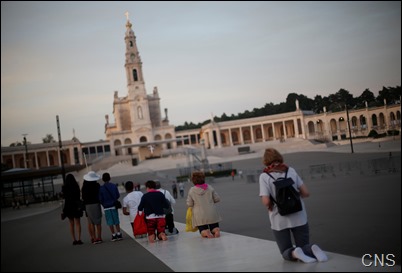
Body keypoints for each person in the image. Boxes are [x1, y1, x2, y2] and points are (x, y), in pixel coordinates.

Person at [259, 148, 328, 263]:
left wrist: (270, 204)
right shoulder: (290, 170)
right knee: (304, 245)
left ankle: (295, 252)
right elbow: (306, 193)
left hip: (278, 218)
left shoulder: (264, 176)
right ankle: (311, 248)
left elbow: (266, 201)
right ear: (279, 157)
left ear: (266, 161)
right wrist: (294, 197)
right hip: (299, 214)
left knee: (285, 250)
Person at [186, 171, 222, 238]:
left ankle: (205, 232)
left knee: (202, 228)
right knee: (214, 225)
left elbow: (189, 204)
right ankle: (216, 230)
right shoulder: (210, 187)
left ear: (193, 180)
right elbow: (217, 199)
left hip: (199, 214)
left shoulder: (192, 190)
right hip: (212, 212)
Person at [99, 172, 123, 241]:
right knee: (116, 220)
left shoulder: (101, 188)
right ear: (109, 178)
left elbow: (100, 199)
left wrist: (103, 203)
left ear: (103, 179)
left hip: (106, 207)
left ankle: (113, 235)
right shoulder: (113, 186)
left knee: (110, 221)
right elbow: (117, 195)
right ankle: (119, 233)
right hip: (113, 206)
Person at [62, 173, 84, 245]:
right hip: (76, 206)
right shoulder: (76, 186)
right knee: (78, 223)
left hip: (68, 206)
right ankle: (79, 239)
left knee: (71, 224)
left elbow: (64, 198)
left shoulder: (64, 188)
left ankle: (74, 240)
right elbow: (78, 197)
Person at [82, 171, 103, 244]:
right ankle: (99, 237)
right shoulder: (97, 185)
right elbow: (100, 194)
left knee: (91, 222)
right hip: (96, 204)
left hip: (88, 205)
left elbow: (83, 197)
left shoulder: (84, 187)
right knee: (98, 222)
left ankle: (94, 238)